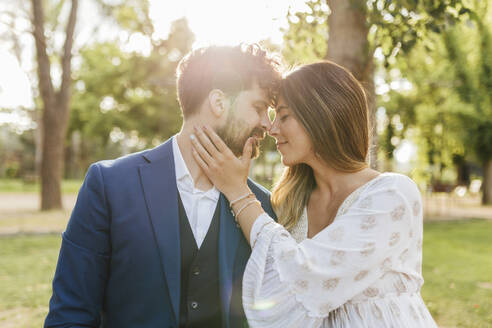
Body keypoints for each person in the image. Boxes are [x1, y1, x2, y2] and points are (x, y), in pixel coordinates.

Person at [44, 44, 282, 328]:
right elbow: (70, 315)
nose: (268, 125)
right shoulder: (109, 185)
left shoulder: (262, 206)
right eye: (259, 108)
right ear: (219, 102)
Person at [190, 61, 438, 327]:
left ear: (321, 116)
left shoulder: (393, 196)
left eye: (284, 116)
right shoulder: (288, 203)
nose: (272, 130)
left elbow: (301, 274)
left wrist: (238, 192)